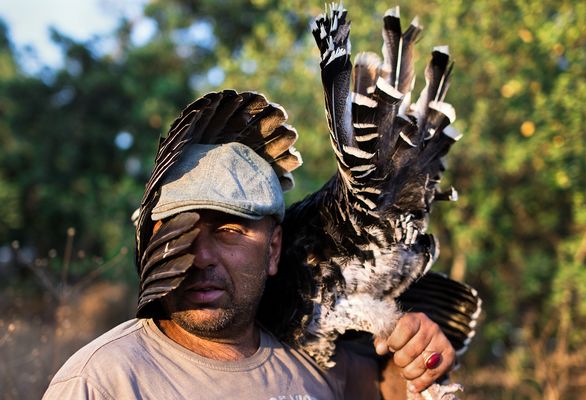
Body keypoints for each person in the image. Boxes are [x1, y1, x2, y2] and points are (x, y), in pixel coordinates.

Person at [43, 101, 456, 400]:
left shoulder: (312, 356)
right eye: (181, 233)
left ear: (273, 250)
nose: (200, 257)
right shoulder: (101, 382)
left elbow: (390, 390)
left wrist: (416, 357)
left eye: (228, 231)